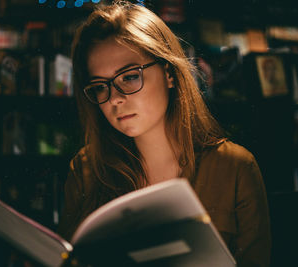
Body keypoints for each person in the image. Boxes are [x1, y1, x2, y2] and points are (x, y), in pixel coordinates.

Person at [58, 2, 271, 266]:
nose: (115, 99)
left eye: (129, 77)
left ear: (169, 72)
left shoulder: (235, 168)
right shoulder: (85, 169)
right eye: (101, 87)